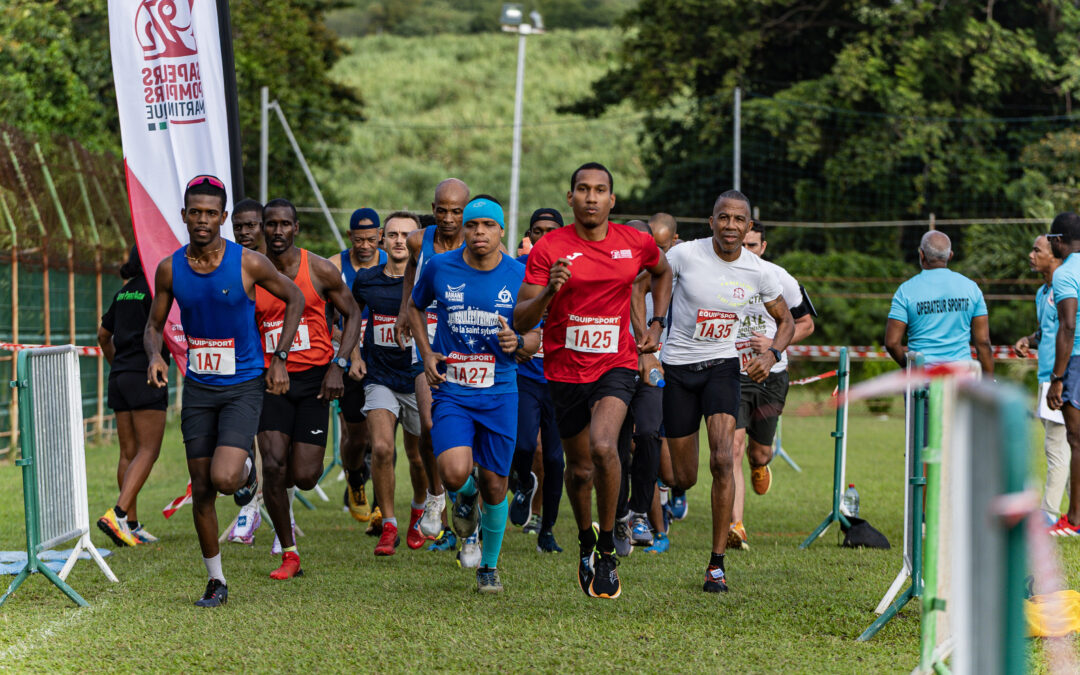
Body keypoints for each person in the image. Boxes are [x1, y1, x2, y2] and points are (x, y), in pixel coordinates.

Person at [145, 175, 304, 607]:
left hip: (243, 386)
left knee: (225, 476)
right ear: (184, 215)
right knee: (202, 489)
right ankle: (216, 580)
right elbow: (155, 325)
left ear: (224, 217)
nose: (202, 220)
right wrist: (155, 356)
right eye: (194, 212)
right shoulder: (169, 268)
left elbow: (294, 298)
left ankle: (247, 474)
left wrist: (280, 357)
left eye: (211, 213)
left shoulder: (248, 263)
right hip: (198, 388)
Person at [515, 162, 671, 599]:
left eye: (599, 190)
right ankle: (585, 539)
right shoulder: (549, 247)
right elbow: (521, 316)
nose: (590, 197)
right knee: (579, 469)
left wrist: (656, 324)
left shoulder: (634, 242)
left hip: (616, 364)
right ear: (571, 198)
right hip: (564, 370)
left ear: (611, 200)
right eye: (582, 189)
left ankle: (607, 550)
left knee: (606, 446)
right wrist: (549, 291)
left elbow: (662, 271)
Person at [661, 189, 794, 593]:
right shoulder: (684, 255)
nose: (731, 226)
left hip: (723, 368)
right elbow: (648, 281)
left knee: (723, 458)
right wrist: (651, 325)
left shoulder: (760, 271)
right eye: (724, 218)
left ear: (749, 226)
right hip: (679, 368)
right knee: (682, 475)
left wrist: (771, 354)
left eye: (739, 220)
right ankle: (667, 482)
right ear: (711, 221)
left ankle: (716, 564)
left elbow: (785, 321)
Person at [407, 197, 535, 593]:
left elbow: (536, 335)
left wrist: (520, 341)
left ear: (502, 231)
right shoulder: (440, 267)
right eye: (472, 224)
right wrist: (427, 352)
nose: (479, 232)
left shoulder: (520, 274)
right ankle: (464, 498)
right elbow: (414, 308)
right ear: (463, 228)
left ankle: (489, 568)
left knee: (496, 485)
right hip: (453, 388)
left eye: (488, 225)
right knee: (453, 471)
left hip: (500, 391)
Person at [254, 198, 361, 579]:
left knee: (305, 475)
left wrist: (340, 364)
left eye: (285, 224)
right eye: (271, 224)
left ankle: (270, 490)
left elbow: (352, 314)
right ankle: (289, 552)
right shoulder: (252, 273)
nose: (278, 231)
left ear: (296, 228)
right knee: (272, 462)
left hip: (316, 380)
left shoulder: (319, 268)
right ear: (262, 228)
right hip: (271, 381)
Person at [728, 222, 815, 551]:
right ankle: (736, 526)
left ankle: (760, 463)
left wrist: (774, 344)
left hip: (772, 374)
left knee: (758, 452)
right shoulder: (722, 275)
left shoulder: (781, 278)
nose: (747, 251)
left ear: (763, 247)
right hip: (733, 373)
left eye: (753, 245)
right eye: (743, 244)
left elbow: (805, 324)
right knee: (731, 448)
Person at [395, 178, 470, 549]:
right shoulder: (417, 241)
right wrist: (404, 311)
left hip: (467, 345)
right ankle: (436, 496)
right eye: (442, 209)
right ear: (433, 207)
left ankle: (466, 493)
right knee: (427, 423)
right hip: (427, 341)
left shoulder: (480, 242)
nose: (449, 217)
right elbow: (411, 272)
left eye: (457, 211)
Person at [351, 211, 429, 555]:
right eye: (394, 235)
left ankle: (418, 512)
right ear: (383, 239)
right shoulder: (366, 280)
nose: (400, 241)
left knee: (418, 455)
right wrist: (352, 354)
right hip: (379, 377)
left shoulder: (429, 279)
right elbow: (349, 315)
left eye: (406, 235)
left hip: (417, 378)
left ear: (418, 241)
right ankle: (389, 524)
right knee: (382, 448)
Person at [96, 245, 170, 547]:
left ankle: (131, 525)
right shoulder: (156, 291)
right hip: (146, 376)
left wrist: (118, 366)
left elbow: (103, 335)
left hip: (119, 377)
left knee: (128, 453)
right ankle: (118, 514)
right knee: (148, 451)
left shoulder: (123, 292)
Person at [509, 208, 566, 553]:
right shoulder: (519, 272)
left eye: (551, 230)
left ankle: (547, 529)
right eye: (537, 230)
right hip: (526, 374)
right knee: (524, 446)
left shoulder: (578, 271)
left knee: (556, 458)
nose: (544, 236)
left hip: (562, 378)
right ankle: (522, 483)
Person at [334, 208, 388, 524]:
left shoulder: (392, 263)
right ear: (349, 237)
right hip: (348, 362)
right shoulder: (333, 265)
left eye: (371, 238)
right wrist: (350, 347)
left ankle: (383, 509)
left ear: (380, 235)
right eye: (359, 239)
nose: (365, 245)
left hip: (385, 361)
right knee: (357, 438)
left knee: (383, 440)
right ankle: (355, 478)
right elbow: (325, 320)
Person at [1014, 233, 1070, 527]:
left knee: (1055, 445)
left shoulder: (1067, 287)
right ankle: (1075, 514)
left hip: (1061, 377)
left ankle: (1048, 513)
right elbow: (1048, 331)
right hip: (1046, 376)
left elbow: (1070, 329)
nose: (1031, 255)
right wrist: (1029, 339)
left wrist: (1060, 378)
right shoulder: (1042, 293)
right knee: (1068, 445)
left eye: (1037, 250)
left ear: (1056, 254)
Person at [884, 231, 993, 374]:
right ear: (950, 255)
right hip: (962, 379)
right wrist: (989, 382)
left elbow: (891, 343)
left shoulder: (905, 291)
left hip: (922, 382)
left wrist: (910, 369)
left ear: (921, 255)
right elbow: (983, 342)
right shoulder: (971, 288)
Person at [226, 199, 267, 546]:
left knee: (277, 447)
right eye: (239, 226)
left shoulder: (271, 269)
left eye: (251, 225)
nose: (245, 232)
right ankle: (248, 508)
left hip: (279, 367)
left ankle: (284, 517)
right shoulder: (228, 265)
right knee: (245, 441)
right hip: (240, 370)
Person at [1045, 212, 1080, 536]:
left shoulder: (1066, 273)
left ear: (1058, 240)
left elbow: (1068, 326)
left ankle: (1074, 519)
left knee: (1075, 439)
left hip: (1077, 360)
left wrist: (1057, 377)